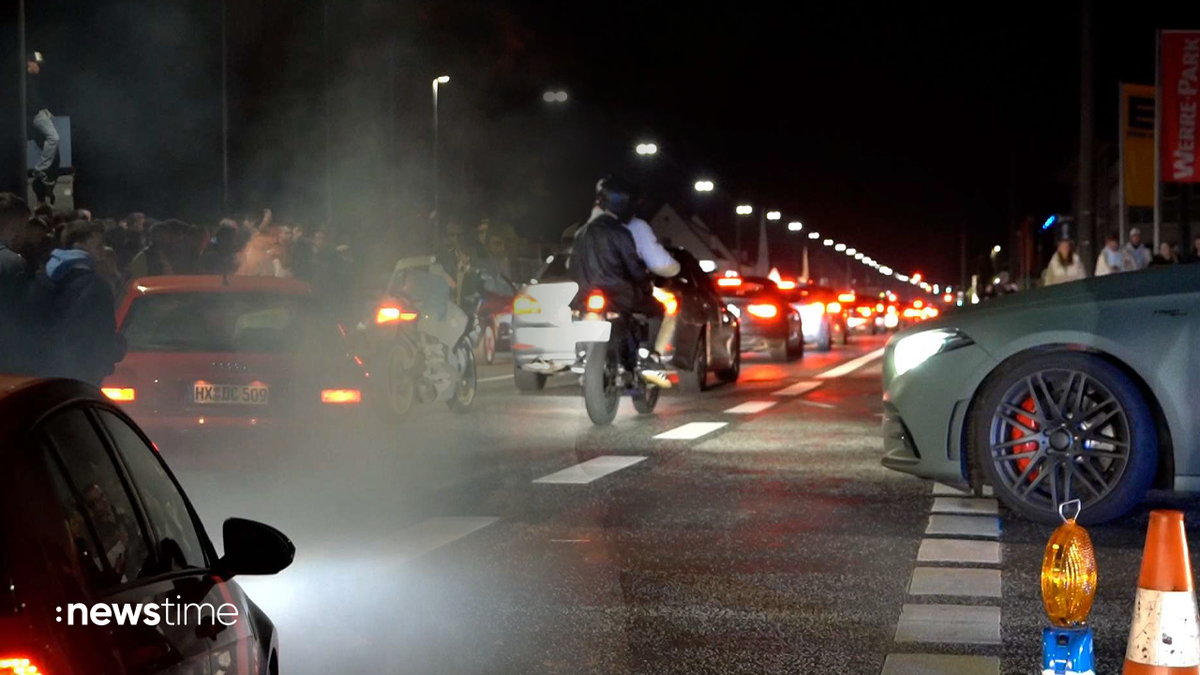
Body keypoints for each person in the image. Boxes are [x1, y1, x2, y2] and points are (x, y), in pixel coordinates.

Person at [570, 175, 668, 387]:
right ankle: (646, 357)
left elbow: (572, 266)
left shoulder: (581, 233)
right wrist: (646, 286)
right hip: (618, 294)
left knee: (578, 315)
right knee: (657, 310)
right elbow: (633, 266)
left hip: (584, 293)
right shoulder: (620, 232)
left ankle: (581, 353)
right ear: (624, 205)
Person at [30, 221, 126, 384]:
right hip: (83, 377)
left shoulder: (41, 278)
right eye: (98, 244)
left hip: (45, 373)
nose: (102, 248)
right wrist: (117, 348)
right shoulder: (96, 286)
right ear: (79, 244)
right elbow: (102, 335)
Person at [26, 51, 58, 193]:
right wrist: (40, 111)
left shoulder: (33, 79)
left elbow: (36, 99)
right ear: (29, 63)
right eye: (37, 65)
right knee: (54, 138)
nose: (39, 68)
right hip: (33, 115)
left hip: (38, 112)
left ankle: (44, 173)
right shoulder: (24, 79)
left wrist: (45, 109)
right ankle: (40, 169)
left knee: (51, 139)